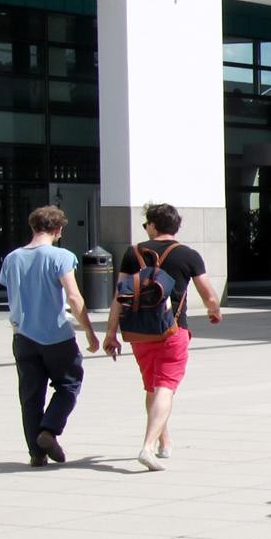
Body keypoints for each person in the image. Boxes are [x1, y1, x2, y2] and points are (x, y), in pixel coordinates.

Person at [106, 202, 222, 471]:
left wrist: (112, 333)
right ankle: (148, 446)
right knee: (165, 387)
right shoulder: (188, 255)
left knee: (152, 387)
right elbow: (209, 295)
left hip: (139, 333)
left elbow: (119, 297)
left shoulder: (133, 253)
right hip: (172, 331)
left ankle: (164, 441)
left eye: (146, 224)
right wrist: (213, 311)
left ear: (153, 225)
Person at [0, 206, 100, 466]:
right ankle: (49, 430)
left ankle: (36, 452)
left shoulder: (12, 258)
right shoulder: (61, 256)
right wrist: (89, 330)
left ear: (32, 227)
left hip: (22, 335)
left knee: (31, 395)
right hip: (56, 335)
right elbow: (74, 297)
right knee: (69, 385)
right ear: (58, 230)